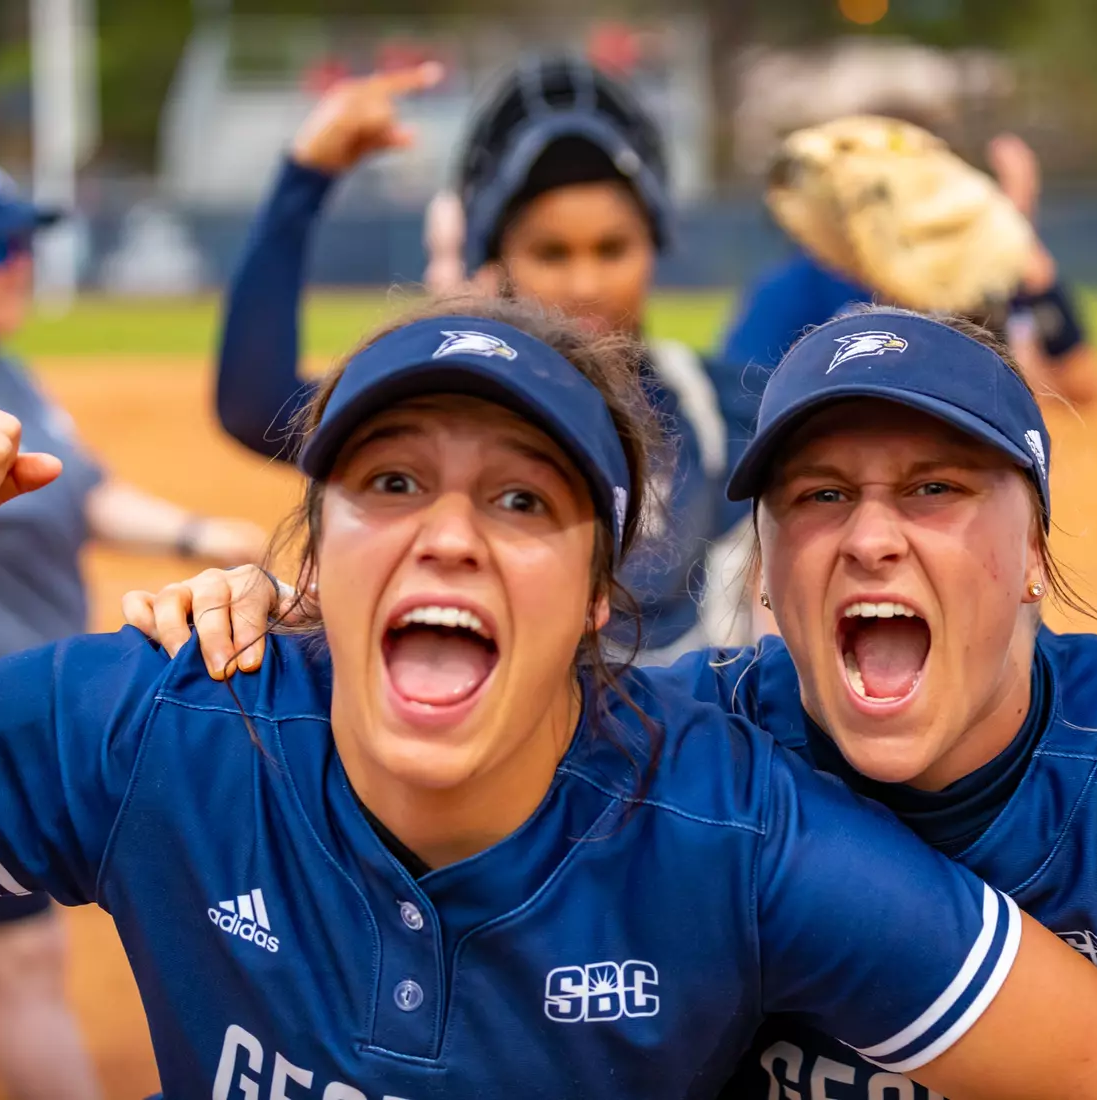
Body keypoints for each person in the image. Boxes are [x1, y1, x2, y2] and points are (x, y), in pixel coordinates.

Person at [145, 275, 1097, 1100]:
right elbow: (459, 689)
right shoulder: (683, 748)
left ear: (1033, 555)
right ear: (772, 573)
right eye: (819, 496)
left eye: (937, 489)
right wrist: (287, 632)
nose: (870, 535)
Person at [0, 298, 1097, 1100]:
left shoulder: (727, 835)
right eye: (387, 483)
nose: (446, 535)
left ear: (600, 597)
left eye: (517, 499)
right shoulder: (166, 725)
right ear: (315, 563)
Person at [0, 152, 266, 1100]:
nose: (21, 265)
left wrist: (201, 533)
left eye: (25, 243)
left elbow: (84, 489)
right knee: (24, 968)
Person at [214, 57, 763, 661]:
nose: (586, 282)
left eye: (613, 249)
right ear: (496, 260)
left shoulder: (713, 410)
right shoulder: (455, 416)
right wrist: (306, 175)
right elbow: (255, 403)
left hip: (684, 741)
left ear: (654, 246)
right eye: (550, 252)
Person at [722, 130, 1097, 407]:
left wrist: (1026, 261)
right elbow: (740, 404)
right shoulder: (796, 289)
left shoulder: (960, 283)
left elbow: (1082, 385)